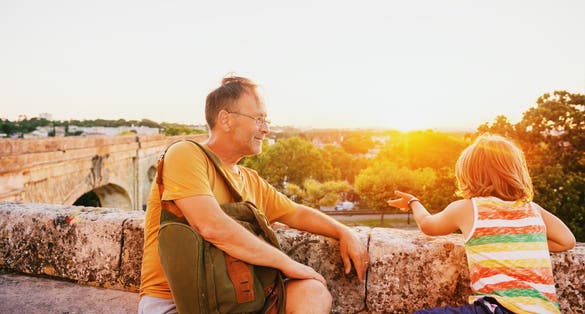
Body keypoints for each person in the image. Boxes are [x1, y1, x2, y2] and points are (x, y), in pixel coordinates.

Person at [139, 75, 369, 313]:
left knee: (312, 292)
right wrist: (286, 264)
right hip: (178, 302)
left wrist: (343, 231)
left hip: (241, 299)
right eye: (259, 119)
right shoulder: (185, 154)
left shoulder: (250, 180)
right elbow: (211, 226)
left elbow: (296, 213)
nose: (266, 129)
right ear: (226, 120)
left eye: (266, 120)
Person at [387, 134, 575, 314]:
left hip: (500, 309)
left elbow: (428, 225)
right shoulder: (534, 209)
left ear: (469, 175)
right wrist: (520, 243)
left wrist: (414, 202)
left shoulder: (467, 208)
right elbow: (567, 241)